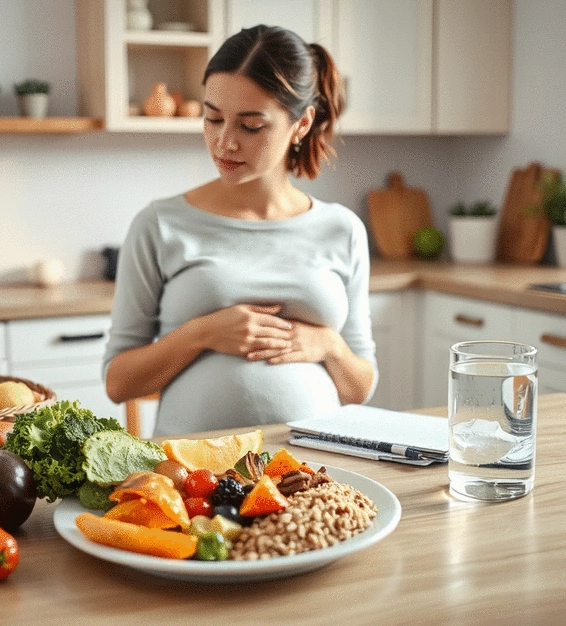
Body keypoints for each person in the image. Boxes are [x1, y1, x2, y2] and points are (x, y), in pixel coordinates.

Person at [103, 24, 378, 436]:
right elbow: (118, 382)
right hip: (195, 480)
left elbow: (360, 387)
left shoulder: (342, 230)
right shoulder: (159, 225)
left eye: (250, 126)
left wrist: (330, 346)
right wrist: (202, 333)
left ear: (301, 124)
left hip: (318, 473)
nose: (224, 142)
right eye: (212, 118)